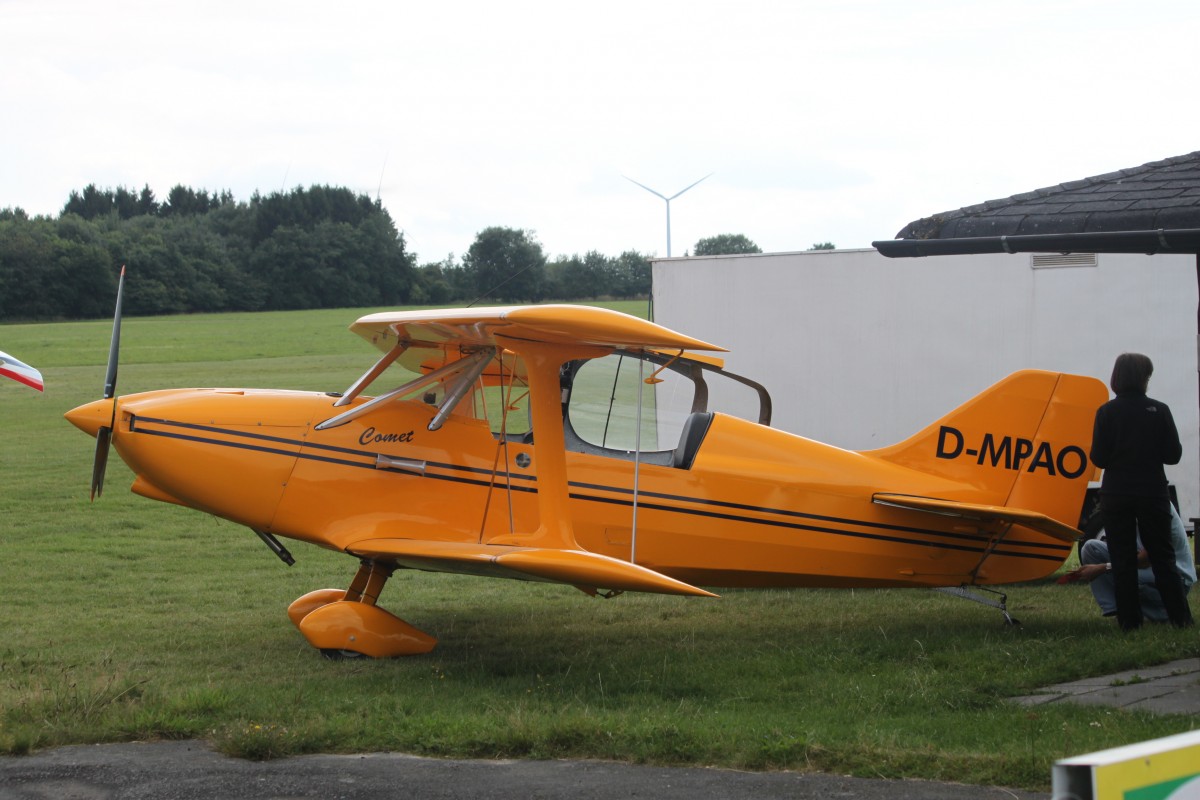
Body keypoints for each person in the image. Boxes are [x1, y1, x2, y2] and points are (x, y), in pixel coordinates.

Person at [1089, 353, 1194, 629]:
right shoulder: (1159, 410)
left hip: (1117, 493)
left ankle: (1129, 623)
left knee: (1122, 558)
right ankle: (1180, 619)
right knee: (1162, 556)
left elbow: (1098, 458)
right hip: (1152, 491)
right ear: (1143, 379)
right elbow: (1173, 455)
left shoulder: (1106, 412)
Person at [1064, 503, 1196, 622]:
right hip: (1148, 567)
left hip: (1175, 578)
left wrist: (1102, 568)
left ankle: (1164, 612)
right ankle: (1117, 610)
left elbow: (1145, 561)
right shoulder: (1133, 506)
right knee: (1091, 548)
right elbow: (1125, 550)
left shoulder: (1157, 508)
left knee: (1123, 576)